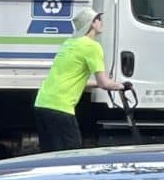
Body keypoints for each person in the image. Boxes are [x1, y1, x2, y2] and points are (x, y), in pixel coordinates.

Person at [32, 9, 120, 153]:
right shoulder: (92, 46)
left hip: (42, 103)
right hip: (60, 107)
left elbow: (75, 79)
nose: (101, 22)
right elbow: (105, 83)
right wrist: (121, 85)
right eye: (99, 19)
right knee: (72, 155)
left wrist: (99, 84)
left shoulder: (69, 43)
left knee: (49, 155)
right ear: (92, 23)